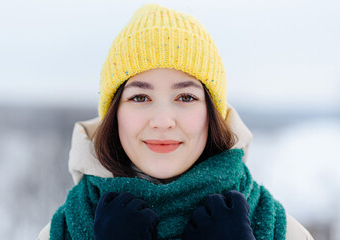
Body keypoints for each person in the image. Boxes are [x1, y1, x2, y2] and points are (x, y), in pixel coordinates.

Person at [38, 4, 314, 240]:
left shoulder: (287, 231)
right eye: (139, 97)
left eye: (185, 97)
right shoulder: (61, 230)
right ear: (114, 114)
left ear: (211, 113)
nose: (162, 121)